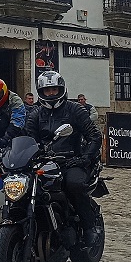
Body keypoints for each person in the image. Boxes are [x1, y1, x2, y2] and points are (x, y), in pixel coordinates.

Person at [20, 70, 102, 245]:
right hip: (44, 162)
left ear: (61, 89)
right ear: (40, 92)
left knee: (73, 184)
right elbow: (27, 137)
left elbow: (94, 135)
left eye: (54, 90)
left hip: (71, 160)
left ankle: (89, 227)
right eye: (47, 90)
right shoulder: (35, 114)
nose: (51, 93)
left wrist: (85, 157)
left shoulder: (75, 110)